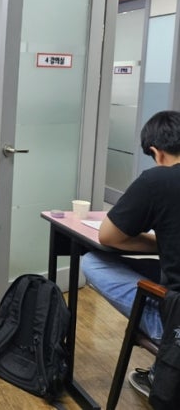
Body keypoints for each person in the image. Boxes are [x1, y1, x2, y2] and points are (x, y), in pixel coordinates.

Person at [82, 110, 180, 399]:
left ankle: (165, 355)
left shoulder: (157, 180)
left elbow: (108, 236)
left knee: (93, 262)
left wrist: (158, 243)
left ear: (156, 152)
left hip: (176, 320)